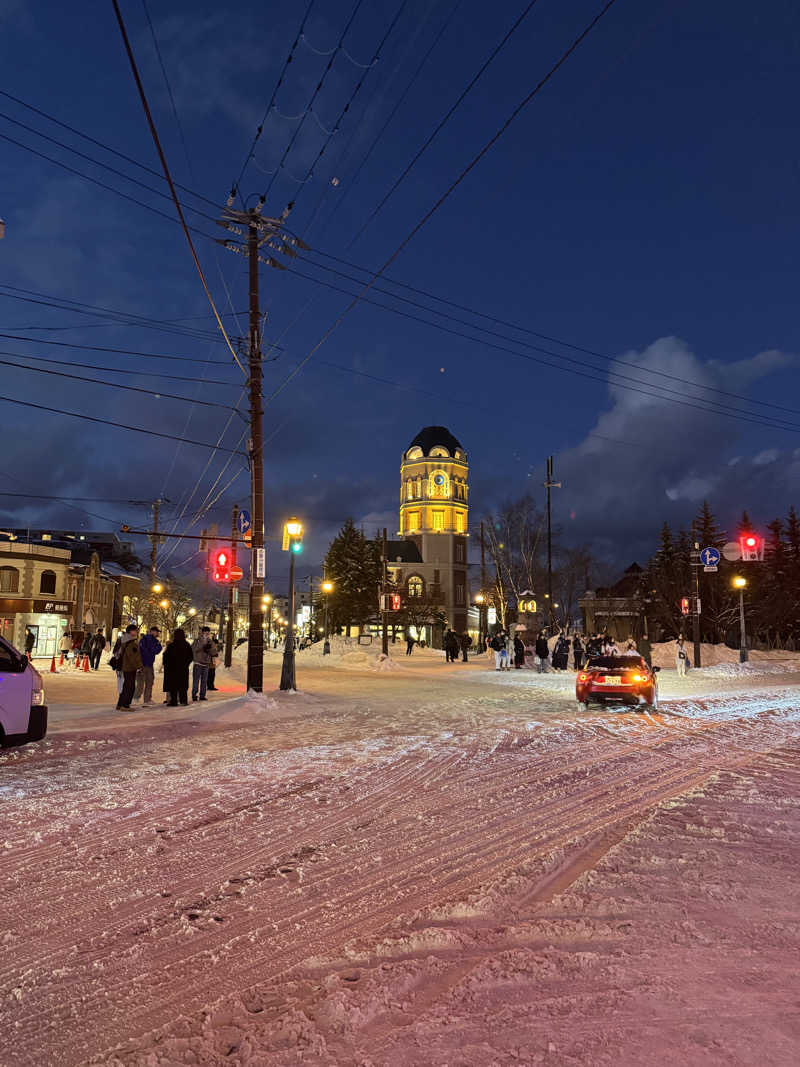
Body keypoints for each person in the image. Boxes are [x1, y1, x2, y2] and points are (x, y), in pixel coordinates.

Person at [163, 628, 194, 706]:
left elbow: (166, 657)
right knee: (182, 685)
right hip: (183, 669)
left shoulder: (171, 645)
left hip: (172, 669)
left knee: (173, 686)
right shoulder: (186, 645)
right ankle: (183, 700)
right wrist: (186, 664)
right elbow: (191, 656)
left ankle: (174, 701)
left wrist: (168, 665)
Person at [116, 624, 142, 711]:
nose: (137, 632)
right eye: (135, 630)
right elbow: (133, 656)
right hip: (129, 667)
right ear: (131, 631)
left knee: (126, 685)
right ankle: (125, 705)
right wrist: (139, 666)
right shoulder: (130, 642)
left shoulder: (123, 640)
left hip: (124, 666)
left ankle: (120, 704)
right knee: (130, 686)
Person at [134, 625, 162, 706]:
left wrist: (151, 650)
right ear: (153, 631)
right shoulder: (145, 639)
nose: (158, 634)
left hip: (148, 664)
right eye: (157, 632)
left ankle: (145, 699)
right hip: (143, 664)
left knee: (148, 682)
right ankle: (138, 698)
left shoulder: (154, 641)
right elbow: (144, 650)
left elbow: (158, 650)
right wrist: (151, 650)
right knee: (142, 682)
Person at [191, 626, 214, 701]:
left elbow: (214, 652)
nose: (207, 634)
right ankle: (194, 695)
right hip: (198, 663)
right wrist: (203, 647)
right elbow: (193, 649)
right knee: (196, 680)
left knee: (204, 681)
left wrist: (210, 650)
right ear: (202, 632)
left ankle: (202, 695)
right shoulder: (197, 640)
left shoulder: (210, 641)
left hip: (206, 663)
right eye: (205, 632)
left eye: (208, 632)